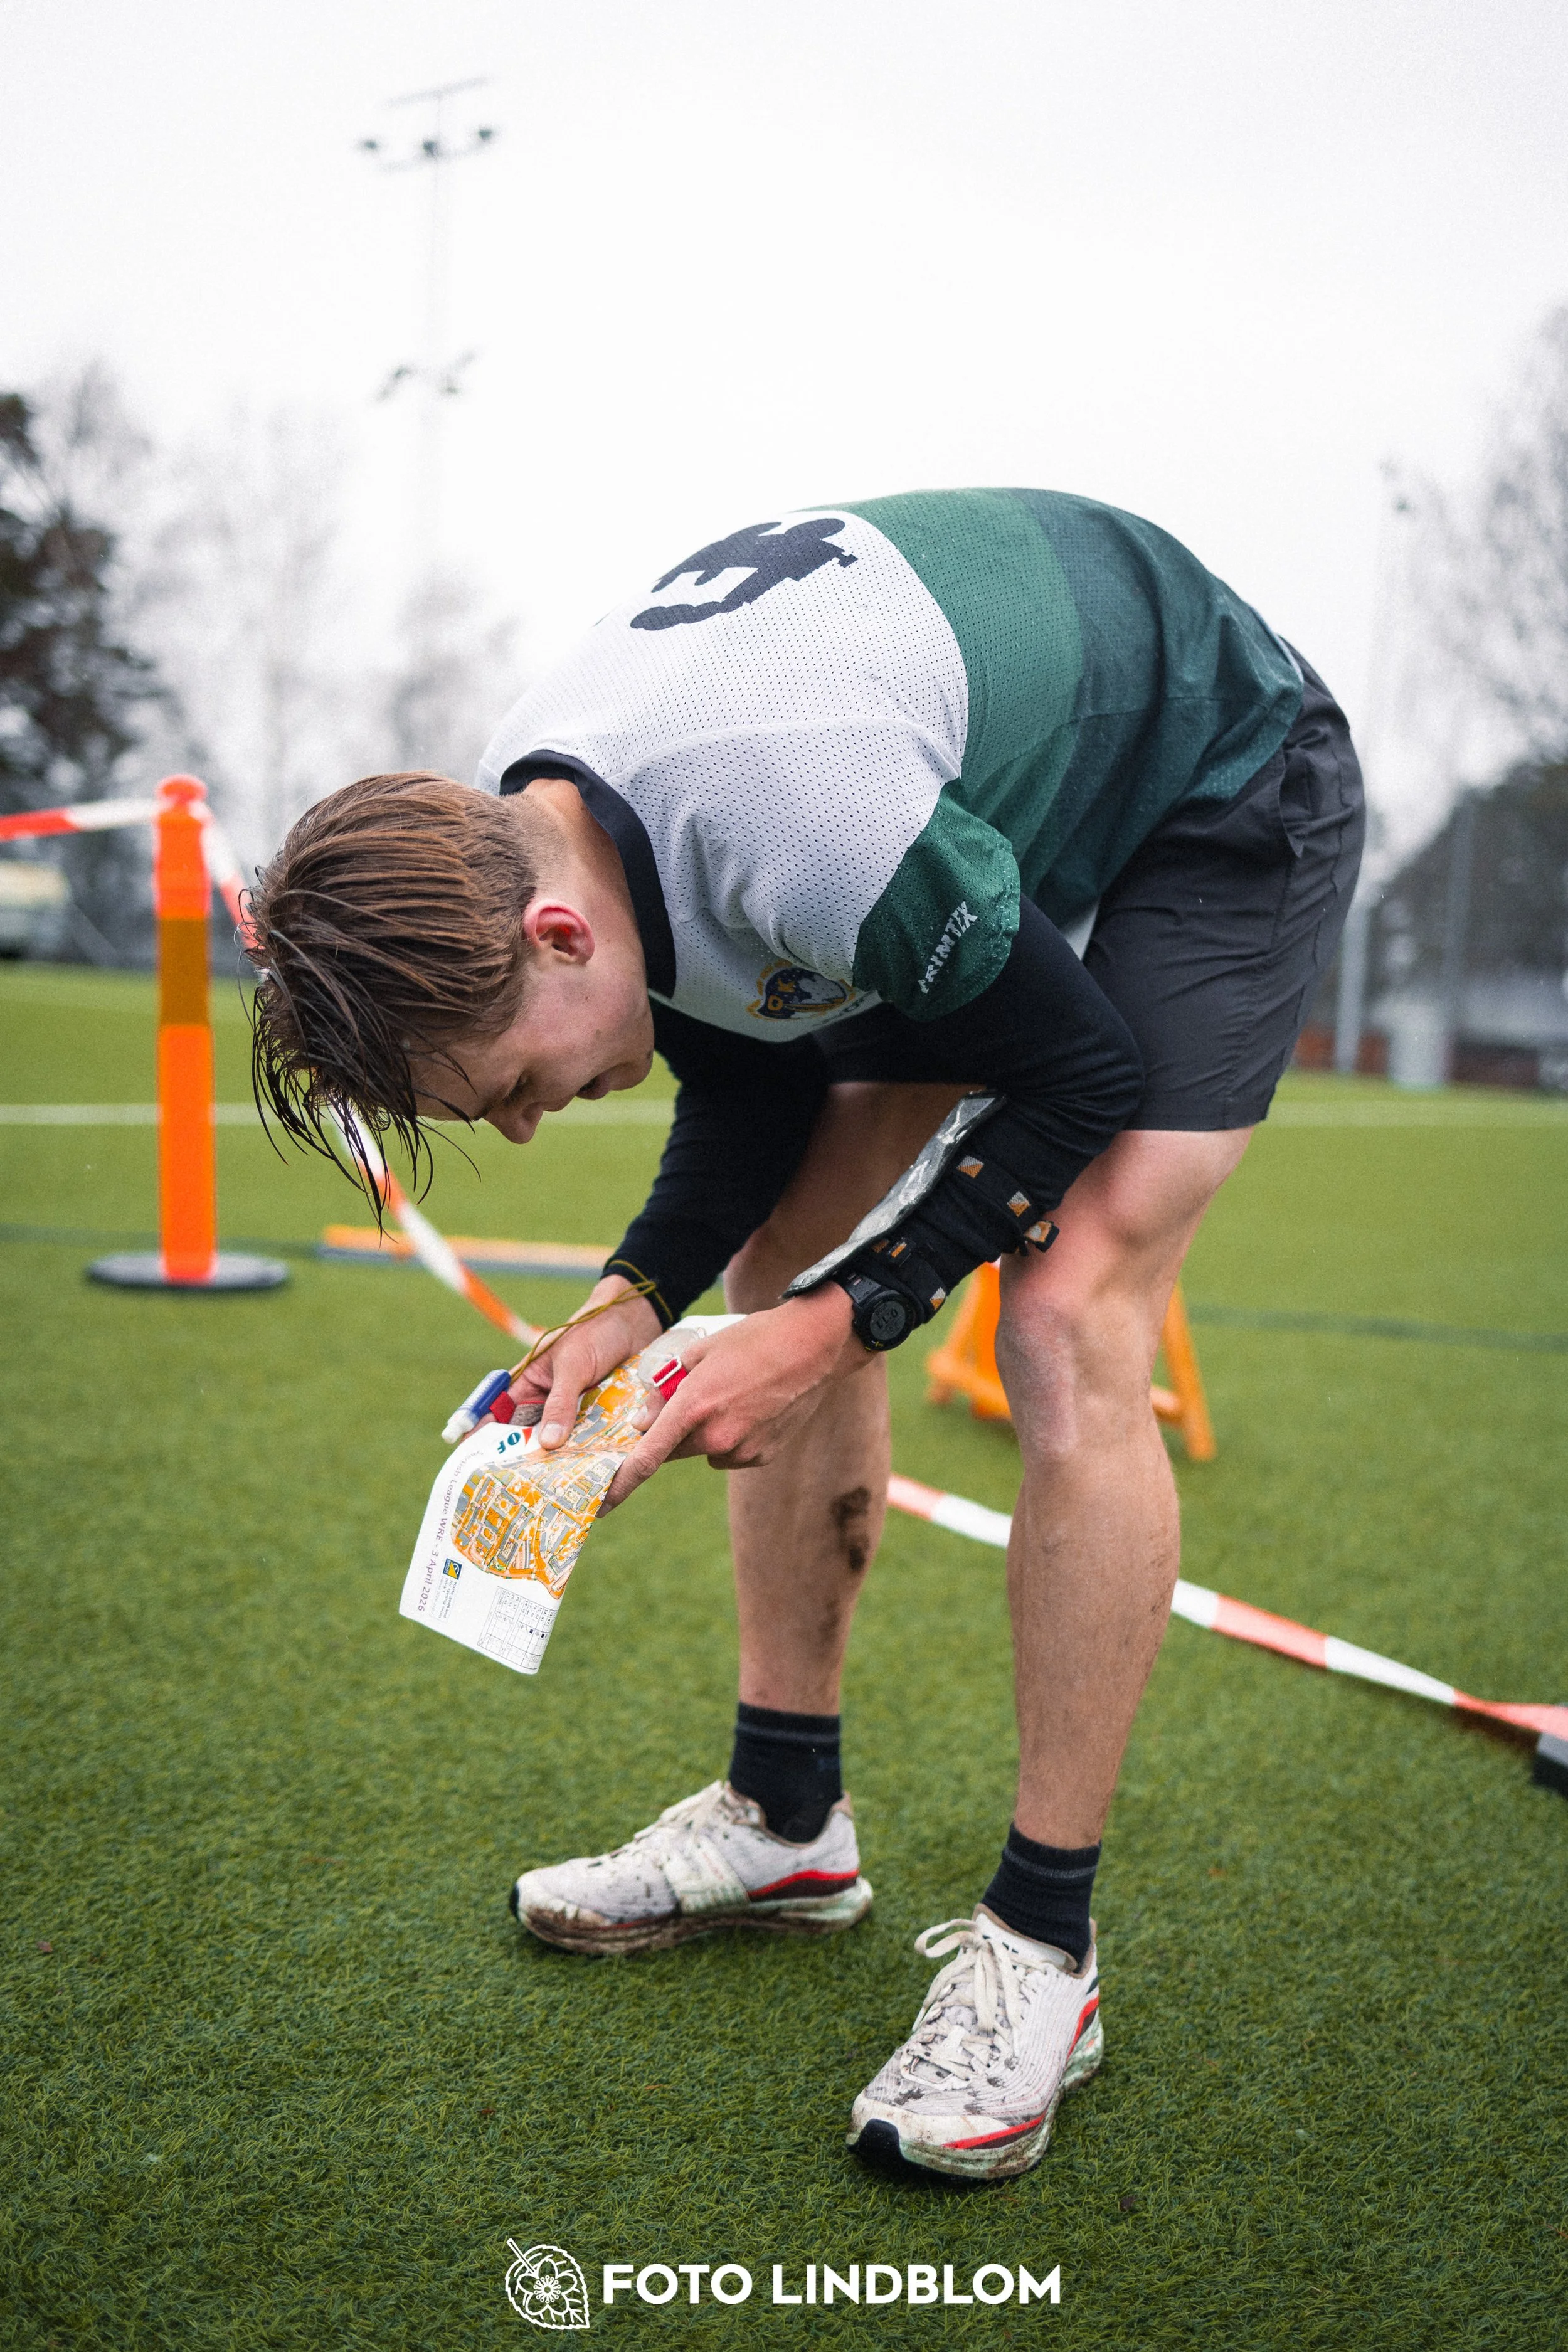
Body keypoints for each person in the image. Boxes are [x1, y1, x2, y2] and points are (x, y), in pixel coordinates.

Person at [248, 489, 1363, 2183]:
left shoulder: (795, 820)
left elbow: (1078, 1076)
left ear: (557, 934)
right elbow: (754, 1068)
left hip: (1215, 764)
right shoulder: (538, 830)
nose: (539, 1126)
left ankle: (1041, 1949)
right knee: (779, 1261)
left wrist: (839, 1331)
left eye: (520, 1088)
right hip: (950, 802)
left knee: (1064, 1318)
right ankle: (785, 1817)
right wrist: (637, 1298)